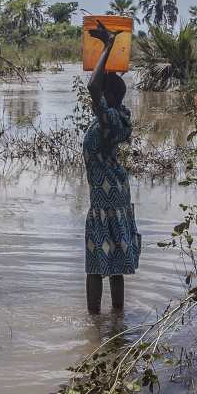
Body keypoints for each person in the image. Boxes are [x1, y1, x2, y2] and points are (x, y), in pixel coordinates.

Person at [82, 21, 142, 314]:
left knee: (95, 262)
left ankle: (93, 325)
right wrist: (112, 62)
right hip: (116, 192)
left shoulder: (108, 118)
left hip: (104, 196)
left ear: (106, 96)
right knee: (115, 258)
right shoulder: (120, 115)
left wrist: (107, 46)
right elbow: (104, 85)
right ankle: (117, 318)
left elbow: (93, 85)